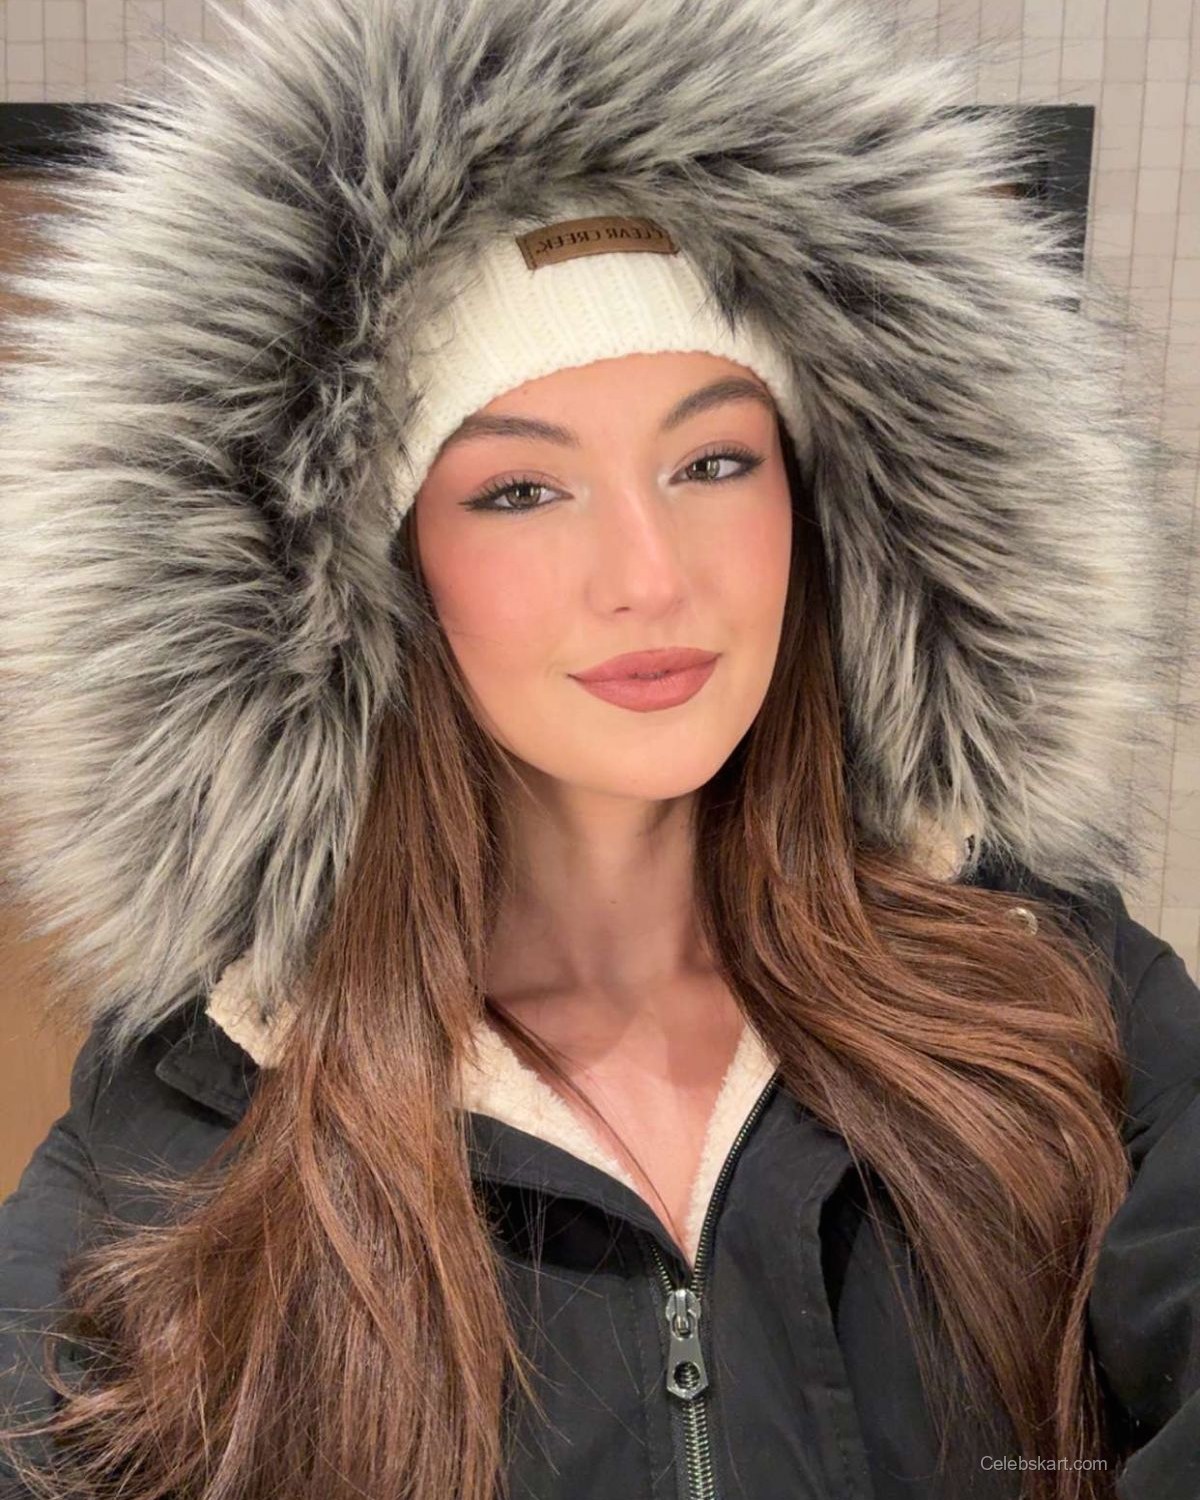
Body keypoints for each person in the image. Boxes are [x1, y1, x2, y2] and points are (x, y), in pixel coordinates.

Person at [0, 0, 1197, 1496]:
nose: (650, 575)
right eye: (519, 491)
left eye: (715, 461)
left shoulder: (1060, 997)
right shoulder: (207, 1113)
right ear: (369, 581)